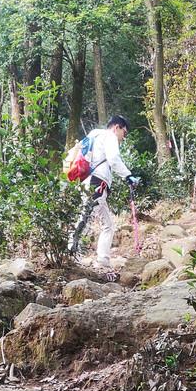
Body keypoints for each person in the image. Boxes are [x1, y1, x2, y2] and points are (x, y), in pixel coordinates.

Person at [67, 115, 139, 277]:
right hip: (97, 183)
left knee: (99, 222)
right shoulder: (110, 136)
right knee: (89, 220)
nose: (123, 138)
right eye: (124, 133)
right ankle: (74, 252)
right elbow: (113, 159)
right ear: (117, 127)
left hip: (87, 181)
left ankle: (98, 258)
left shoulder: (94, 134)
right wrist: (128, 176)